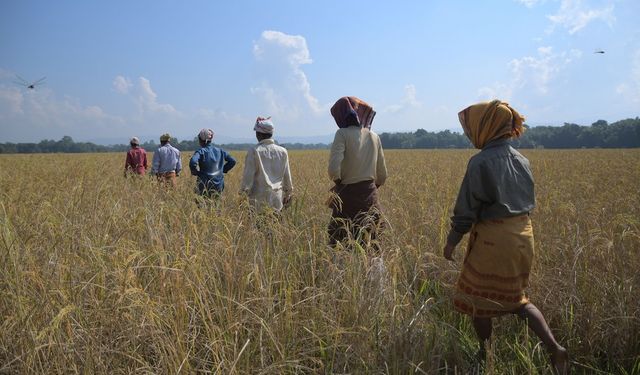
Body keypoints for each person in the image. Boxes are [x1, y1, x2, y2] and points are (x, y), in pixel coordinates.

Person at [443, 100, 568, 373]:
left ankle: (485, 354)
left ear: (486, 126)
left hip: (493, 239)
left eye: (472, 126)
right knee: (518, 299)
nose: (469, 132)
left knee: (478, 301)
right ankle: (554, 347)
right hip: (523, 234)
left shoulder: (479, 163)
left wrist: (452, 241)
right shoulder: (522, 160)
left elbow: (466, 210)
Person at [327, 96, 387, 250]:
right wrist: (369, 187)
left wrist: (340, 184)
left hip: (347, 198)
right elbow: (383, 175)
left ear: (341, 116)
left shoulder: (342, 134)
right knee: (372, 245)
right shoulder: (374, 137)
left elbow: (333, 170)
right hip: (371, 197)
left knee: (341, 245)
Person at [240, 117, 293, 211]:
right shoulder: (283, 151)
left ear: (258, 134)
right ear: (271, 134)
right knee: (275, 224)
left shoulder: (254, 151)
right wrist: (288, 193)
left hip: (258, 202)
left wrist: (243, 196)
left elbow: (248, 178)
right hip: (277, 200)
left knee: (258, 225)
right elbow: (287, 176)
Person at [189, 128, 236, 198]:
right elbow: (233, 161)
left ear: (202, 140)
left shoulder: (201, 151)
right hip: (219, 184)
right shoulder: (220, 151)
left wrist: (195, 172)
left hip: (204, 184)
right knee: (216, 205)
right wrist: (222, 170)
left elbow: (193, 162)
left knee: (201, 206)